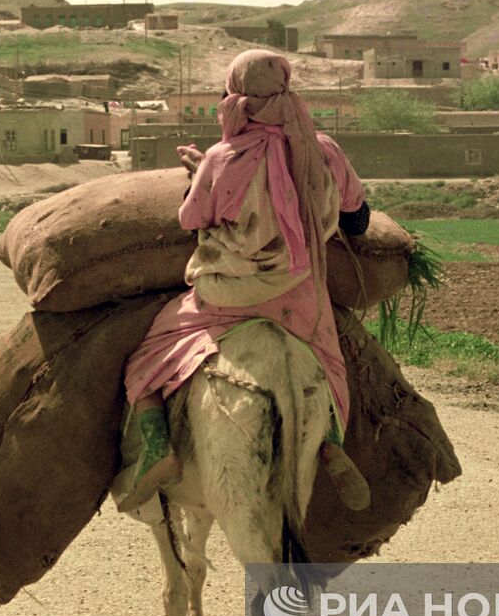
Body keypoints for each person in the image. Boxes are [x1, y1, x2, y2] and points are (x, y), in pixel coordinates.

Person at [116, 49, 372, 514]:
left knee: (149, 354)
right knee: (329, 366)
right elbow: (358, 223)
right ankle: (330, 440)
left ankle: (158, 450)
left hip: (226, 297)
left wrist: (201, 175)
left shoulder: (221, 158)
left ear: (237, 97)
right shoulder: (326, 150)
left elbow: (193, 218)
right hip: (299, 298)